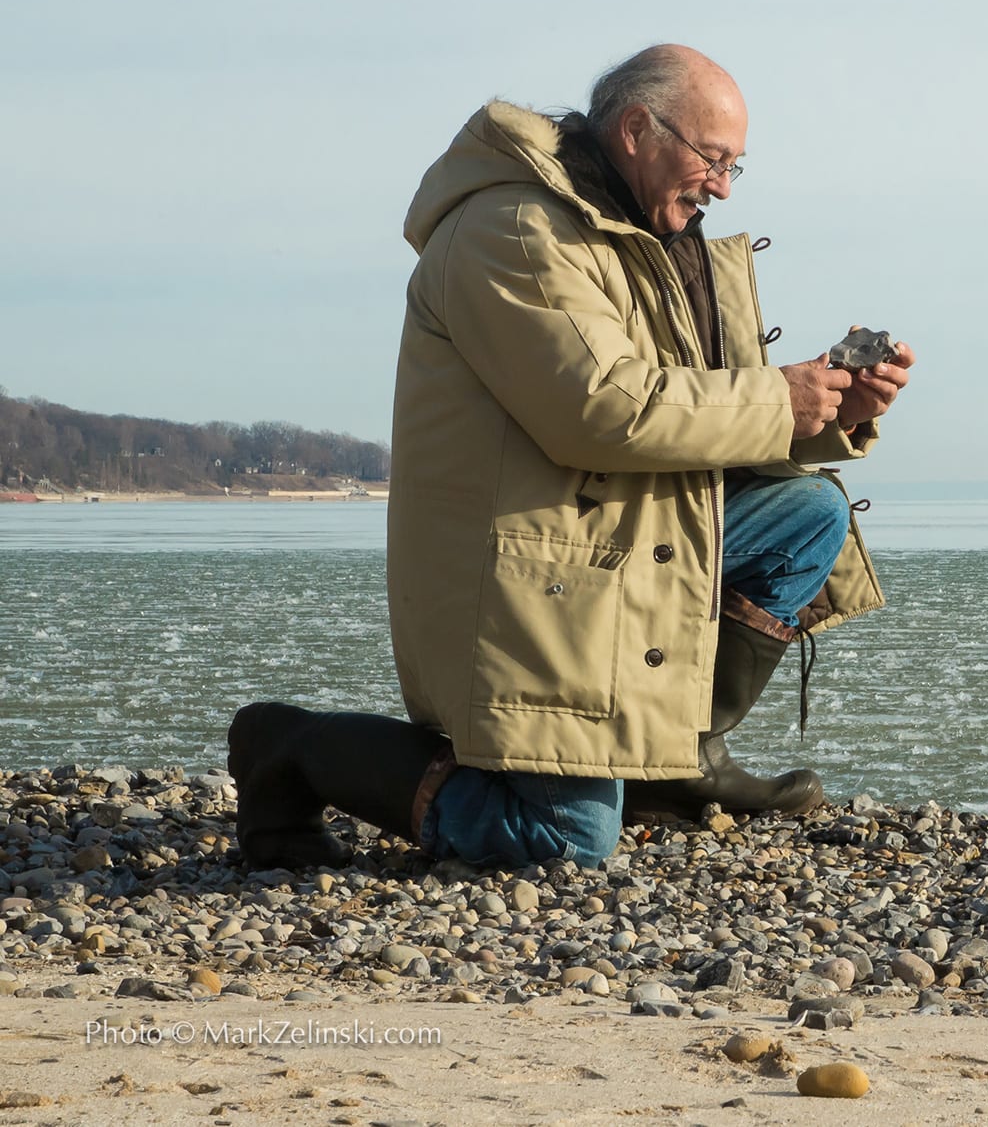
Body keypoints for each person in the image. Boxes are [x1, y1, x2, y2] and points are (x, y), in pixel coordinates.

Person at [228, 44, 913, 871]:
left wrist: (825, 410)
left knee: (809, 516)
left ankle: (676, 757)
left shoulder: (627, 230)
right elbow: (604, 410)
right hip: (532, 573)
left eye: (738, 166)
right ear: (636, 128)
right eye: (715, 159)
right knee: (562, 841)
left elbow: (688, 410)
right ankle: (292, 747)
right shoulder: (515, 229)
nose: (725, 187)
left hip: (614, 542)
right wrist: (780, 398)